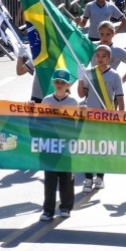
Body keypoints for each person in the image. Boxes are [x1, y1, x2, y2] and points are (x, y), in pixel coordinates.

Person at [77, 44, 124, 192]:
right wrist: (80, 78)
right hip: (90, 117)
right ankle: (88, 179)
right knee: (88, 149)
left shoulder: (115, 76)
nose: (100, 58)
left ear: (109, 58)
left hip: (106, 117)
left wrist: (121, 118)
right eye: (98, 56)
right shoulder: (89, 73)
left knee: (101, 149)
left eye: (104, 56)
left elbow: (120, 99)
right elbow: (81, 95)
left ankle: (100, 178)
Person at [39, 68, 77, 221]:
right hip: (49, 144)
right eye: (57, 81)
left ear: (68, 85)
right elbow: (39, 121)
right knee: (50, 179)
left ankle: (66, 207)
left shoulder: (73, 102)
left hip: (66, 144)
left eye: (62, 82)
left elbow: (78, 124)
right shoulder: (47, 100)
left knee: (66, 177)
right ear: (53, 83)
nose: (59, 84)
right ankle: (48, 210)